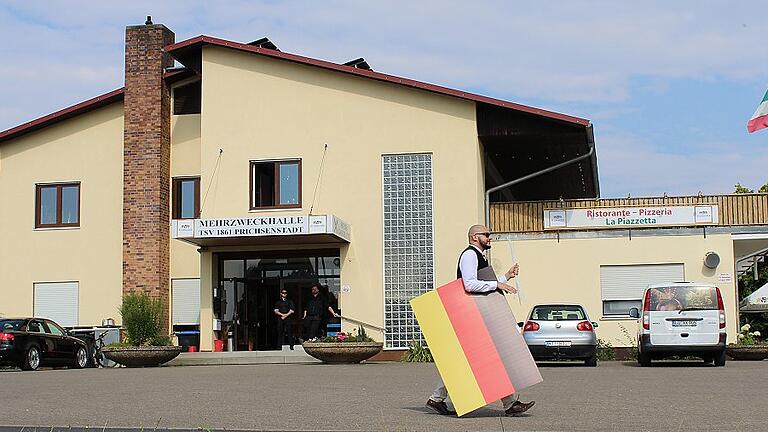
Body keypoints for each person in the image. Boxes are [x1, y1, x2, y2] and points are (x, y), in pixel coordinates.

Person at [426, 224, 536, 417]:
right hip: (471, 313)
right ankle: (509, 404)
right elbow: (469, 284)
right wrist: (498, 283)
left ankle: (436, 399)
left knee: (470, 359)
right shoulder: (469, 255)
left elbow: (481, 282)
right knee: (482, 358)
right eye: (487, 235)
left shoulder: (478, 256)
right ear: (475, 237)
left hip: (476, 312)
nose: (490, 237)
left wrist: (506, 276)